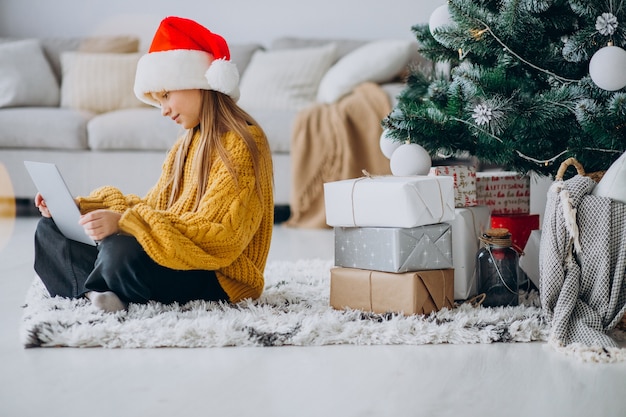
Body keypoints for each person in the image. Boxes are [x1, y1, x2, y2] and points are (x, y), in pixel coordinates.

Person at [33, 16, 274, 312]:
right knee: (49, 230)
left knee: (118, 250)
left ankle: (94, 287)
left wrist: (124, 224)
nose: (163, 110)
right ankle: (96, 296)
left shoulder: (244, 141)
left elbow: (222, 237)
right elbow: (154, 207)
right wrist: (85, 208)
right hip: (176, 256)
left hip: (219, 275)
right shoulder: (186, 144)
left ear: (197, 82)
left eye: (166, 96)